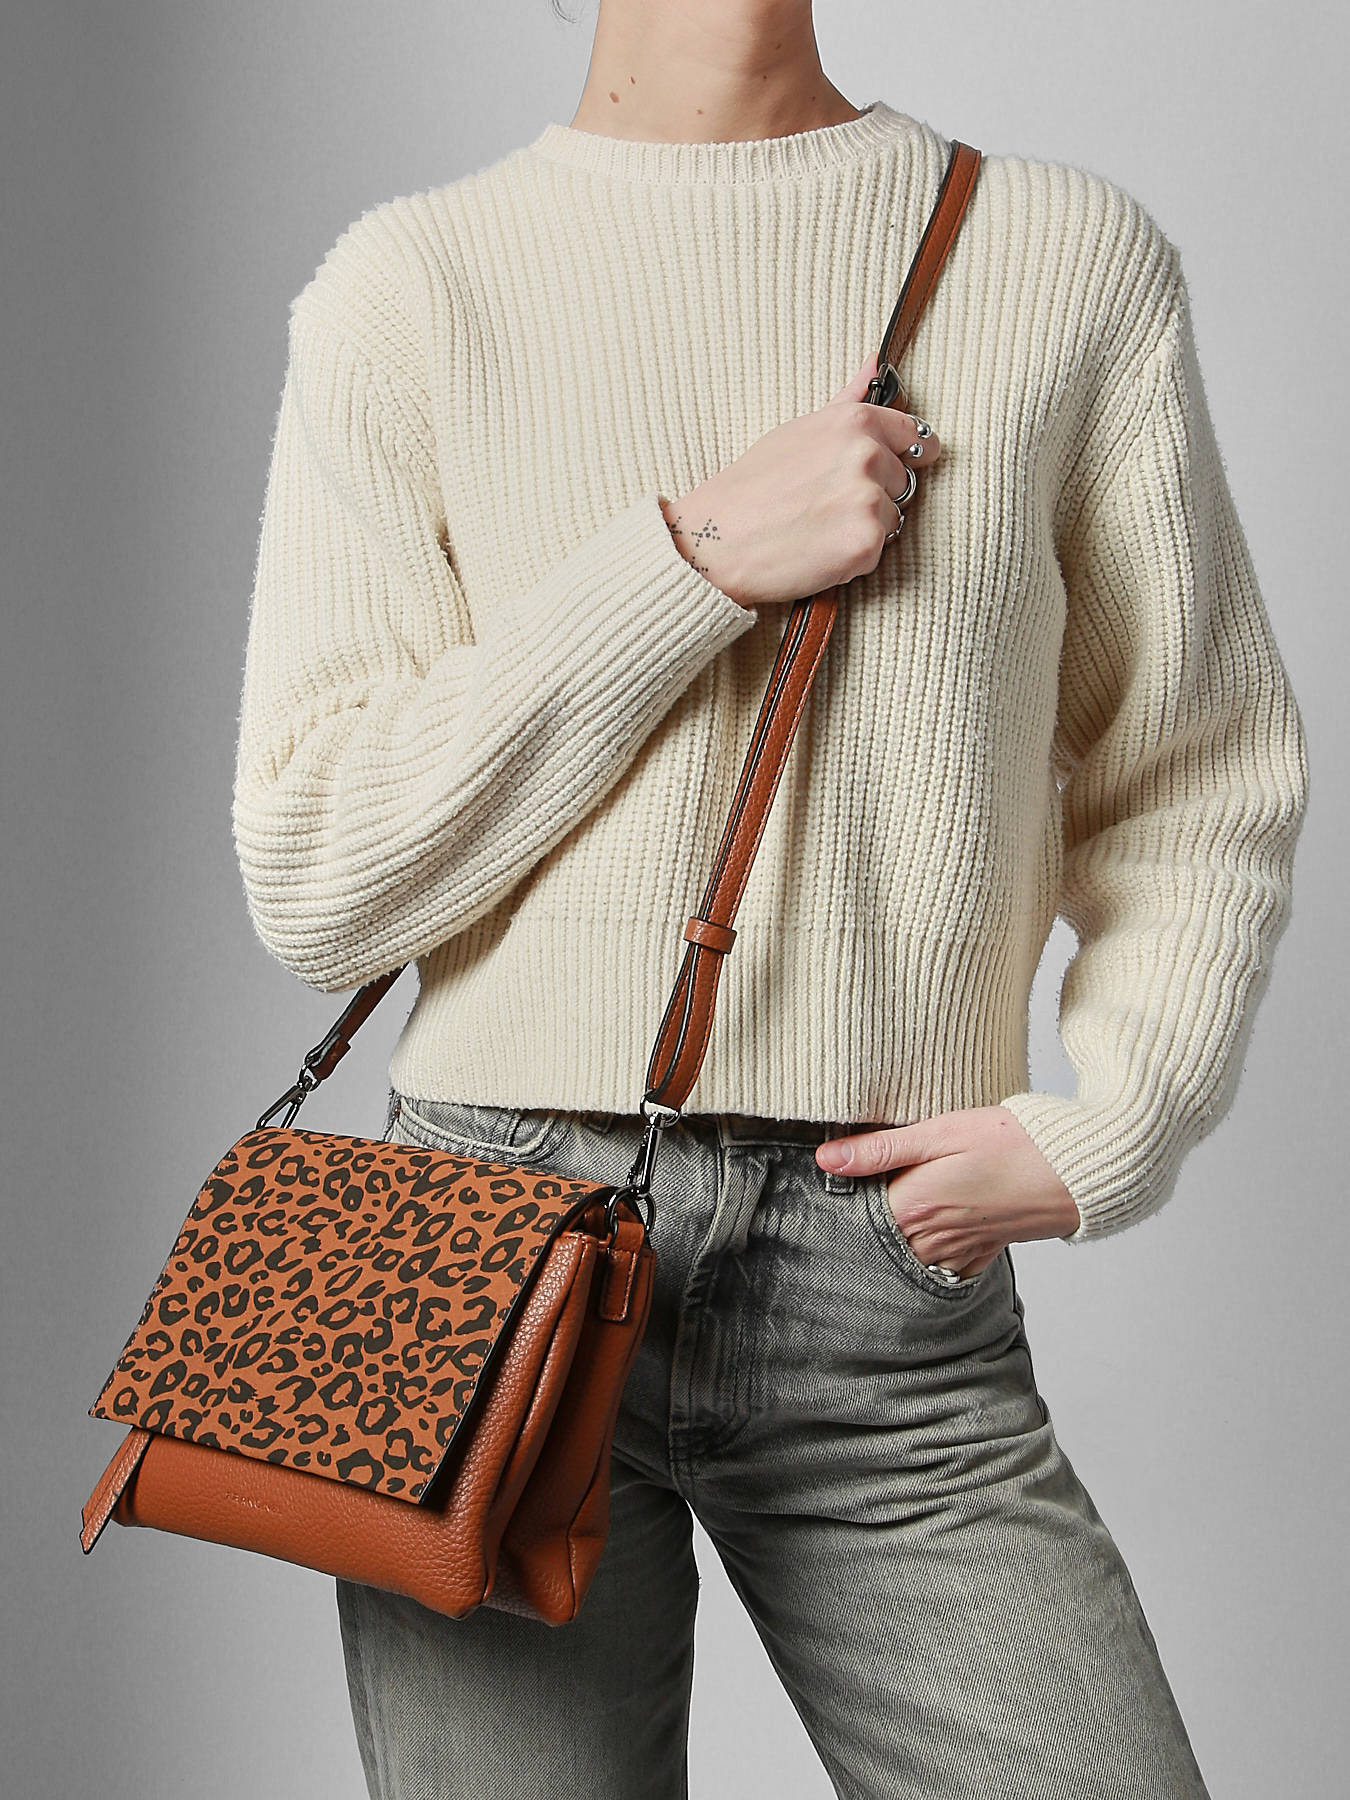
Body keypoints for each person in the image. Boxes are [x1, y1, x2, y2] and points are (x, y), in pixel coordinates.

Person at [230, 3, 1309, 1795]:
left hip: (883, 1278)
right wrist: (692, 559)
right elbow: (320, 877)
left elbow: (1192, 767)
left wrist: (1120, 1117)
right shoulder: (410, 288)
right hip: (483, 1242)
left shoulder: (1056, 257)